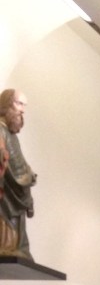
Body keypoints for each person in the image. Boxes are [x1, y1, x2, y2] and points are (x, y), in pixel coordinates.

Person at [0, 89, 36, 260]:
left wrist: (27, 173)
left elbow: (18, 160)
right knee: (6, 226)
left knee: (17, 227)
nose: (22, 110)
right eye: (19, 104)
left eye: (24, 106)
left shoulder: (12, 134)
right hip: (6, 192)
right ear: (6, 104)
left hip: (17, 189)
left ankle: (16, 248)